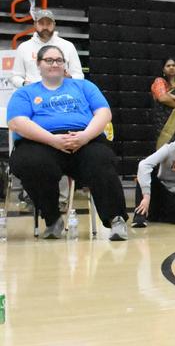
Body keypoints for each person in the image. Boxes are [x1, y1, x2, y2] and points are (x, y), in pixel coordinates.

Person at [7, 45, 129, 240]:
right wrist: (53, 140)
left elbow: (104, 113)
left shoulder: (84, 86)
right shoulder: (25, 93)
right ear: (38, 64)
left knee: (101, 159)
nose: (55, 64)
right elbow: (17, 122)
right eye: (49, 60)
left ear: (65, 65)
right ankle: (53, 219)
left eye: (59, 60)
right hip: (42, 142)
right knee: (29, 162)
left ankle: (116, 220)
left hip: (84, 140)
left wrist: (85, 136)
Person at [10, 7, 84, 87]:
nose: (45, 27)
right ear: (35, 24)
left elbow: (79, 76)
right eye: (41, 23)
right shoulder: (24, 47)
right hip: (33, 95)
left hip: (61, 95)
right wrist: (25, 84)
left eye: (48, 23)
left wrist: (70, 78)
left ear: (54, 24)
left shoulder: (68, 46)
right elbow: (15, 76)